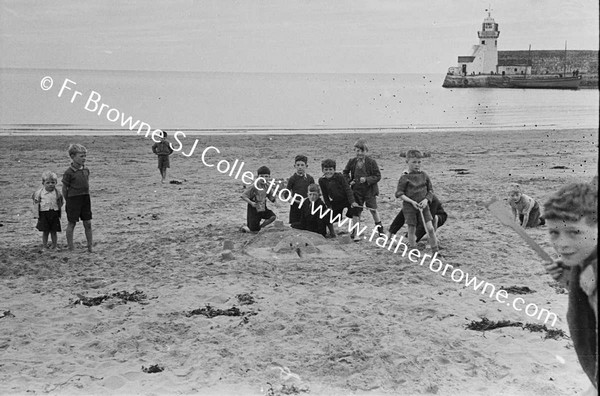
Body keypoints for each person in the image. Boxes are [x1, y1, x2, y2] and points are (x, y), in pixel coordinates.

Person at [542, 182, 597, 393]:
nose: (562, 244)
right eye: (554, 233)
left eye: (574, 232)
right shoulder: (581, 263)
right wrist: (570, 281)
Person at [395, 149, 439, 252]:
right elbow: (399, 194)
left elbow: (430, 190)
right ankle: (413, 249)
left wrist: (426, 200)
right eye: (414, 162)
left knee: (430, 228)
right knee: (411, 229)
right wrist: (411, 202)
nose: (417, 165)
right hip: (410, 207)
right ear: (407, 162)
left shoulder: (424, 175)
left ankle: (435, 251)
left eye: (419, 162)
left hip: (423, 206)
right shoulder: (404, 177)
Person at [343, 139, 384, 241]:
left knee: (373, 210)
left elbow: (378, 176)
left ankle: (380, 230)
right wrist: (349, 181)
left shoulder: (371, 162)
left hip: (369, 190)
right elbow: (345, 173)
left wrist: (367, 179)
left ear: (366, 151)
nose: (360, 153)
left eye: (362, 151)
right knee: (356, 212)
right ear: (355, 151)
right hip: (357, 191)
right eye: (357, 151)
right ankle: (356, 233)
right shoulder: (352, 162)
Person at [62, 144, 93, 252]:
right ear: (72, 156)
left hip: (85, 198)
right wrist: (68, 200)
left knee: (88, 223)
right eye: (81, 156)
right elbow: (65, 188)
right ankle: (71, 247)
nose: (84, 158)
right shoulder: (68, 172)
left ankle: (90, 246)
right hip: (73, 199)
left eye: (85, 156)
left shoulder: (86, 170)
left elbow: (86, 183)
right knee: (72, 223)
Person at [318, 159, 360, 228]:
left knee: (355, 211)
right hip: (336, 201)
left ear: (334, 170)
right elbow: (325, 195)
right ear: (322, 170)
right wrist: (329, 206)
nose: (328, 172)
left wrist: (352, 202)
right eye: (326, 169)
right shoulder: (322, 180)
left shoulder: (340, 177)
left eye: (330, 169)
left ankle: (355, 233)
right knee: (327, 216)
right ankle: (332, 233)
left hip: (347, 199)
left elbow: (347, 189)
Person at [32, 171, 64, 249]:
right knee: (45, 231)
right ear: (43, 183)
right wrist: (36, 214)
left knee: (54, 231)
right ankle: (45, 246)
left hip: (54, 212)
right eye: (48, 182)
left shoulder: (57, 193)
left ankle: (54, 245)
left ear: (56, 183)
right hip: (44, 213)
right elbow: (35, 201)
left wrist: (58, 210)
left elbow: (61, 201)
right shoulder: (39, 193)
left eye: (52, 182)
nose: (50, 184)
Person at [240, 166, 277, 233]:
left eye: (266, 176)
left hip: (263, 207)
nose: (264, 178)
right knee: (253, 231)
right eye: (261, 176)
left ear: (269, 177)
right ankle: (244, 227)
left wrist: (275, 197)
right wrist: (251, 203)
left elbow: (271, 198)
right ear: (257, 177)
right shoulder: (254, 186)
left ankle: (261, 227)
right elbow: (243, 196)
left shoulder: (268, 186)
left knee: (272, 217)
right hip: (253, 209)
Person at [286, 155, 315, 224]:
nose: (300, 167)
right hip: (295, 205)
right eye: (298, 165)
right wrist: (293, 200)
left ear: (306, 166)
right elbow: (286, 193)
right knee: (295, 224)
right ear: (294, 166)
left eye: (302, 165)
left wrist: (309, 200)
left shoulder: (310, 178)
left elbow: (314, 191)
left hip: (307, 204)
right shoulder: (292, 179)